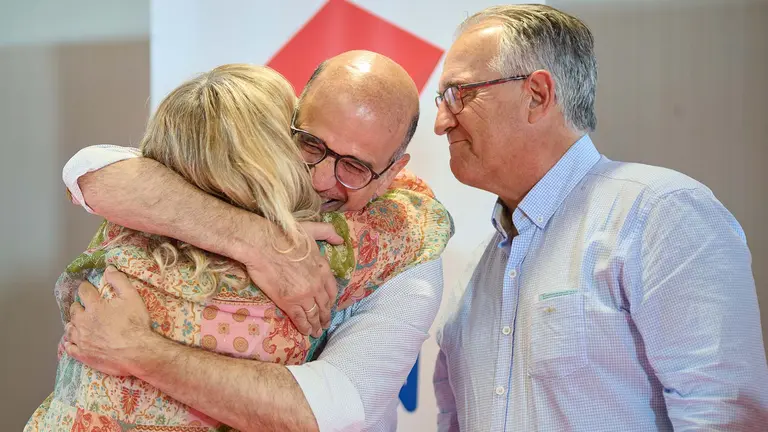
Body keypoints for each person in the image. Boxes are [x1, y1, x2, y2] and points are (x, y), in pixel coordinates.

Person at [51, 52, 446, 431]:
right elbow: (90, 171)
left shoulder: (398, 252)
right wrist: (254, 238)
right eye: (311, 145)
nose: (323, 178)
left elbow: (333, 410)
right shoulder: (214, 189)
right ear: (287, 121)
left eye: (355, 167)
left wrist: (137, 350)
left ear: (394, 170)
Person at [433, 4, 768, 432]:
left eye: (459, 94)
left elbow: (723, 416)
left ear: (537, 94)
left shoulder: (660, 215)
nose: (442, 122)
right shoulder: (473, 277)